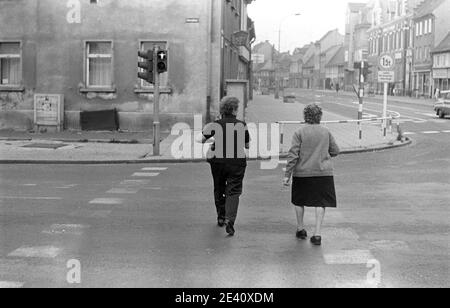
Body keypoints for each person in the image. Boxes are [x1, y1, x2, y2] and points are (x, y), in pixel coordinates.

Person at [283, 104, 340, 246]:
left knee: (299, 200)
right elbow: (335, 151)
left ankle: (301, 229)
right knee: (321, 202)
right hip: (323, 173)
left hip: (302, 173)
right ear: (319, 116)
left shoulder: (299, 132)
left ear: (305, 116)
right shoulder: (326, 131)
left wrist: (287, 175)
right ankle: (317, 234)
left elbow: (293, 155)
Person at [199, 97, 250, 236]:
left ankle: (221, 216)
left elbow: (202, 140)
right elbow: (247, 145)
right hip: (236, 162)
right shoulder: (241, 125)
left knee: (219, 186)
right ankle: (230, 220)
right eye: (237, 108)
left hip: (218, 162)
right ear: (233, 109)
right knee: (233, 191)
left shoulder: (216, 124)